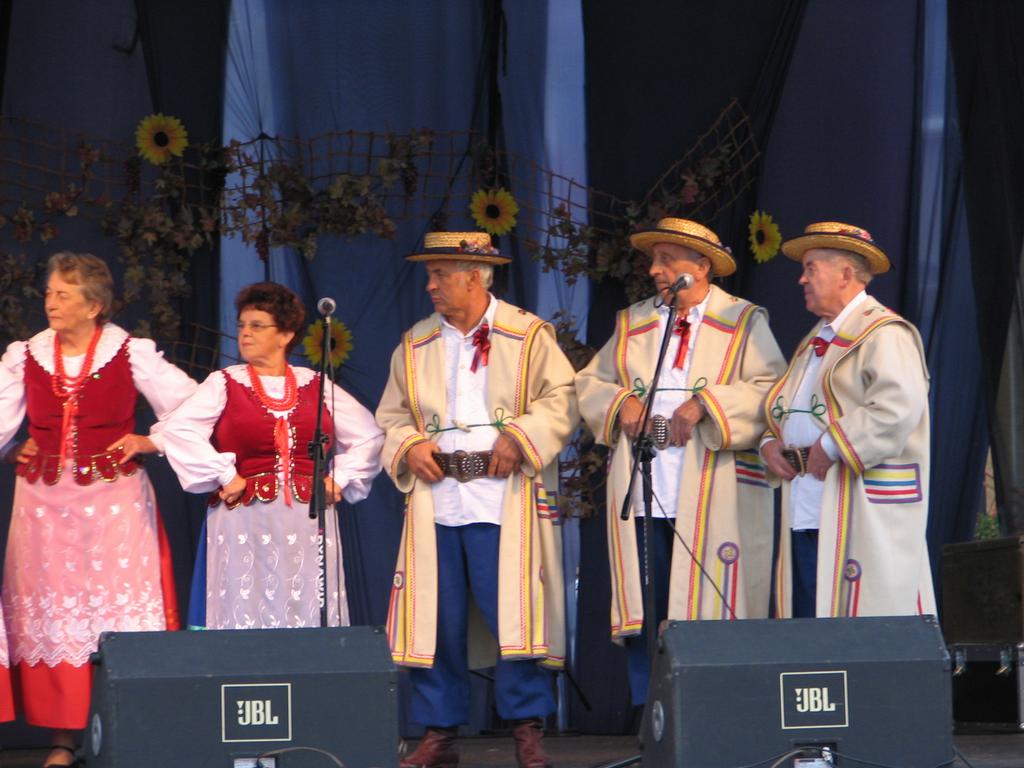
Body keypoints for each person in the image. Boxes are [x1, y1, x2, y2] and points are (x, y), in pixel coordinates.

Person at [376, 232, 577, 768]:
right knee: (436, 618)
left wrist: (522, 436)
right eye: (430, 274)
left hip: (502, 499)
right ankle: (439, 732)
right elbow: (391, 415)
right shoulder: (415, 343)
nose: (431, 285)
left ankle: (527, 730)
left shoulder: (527, 334)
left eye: (441, 274)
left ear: (474, 277)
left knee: (513, 614)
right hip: (437, 502)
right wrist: (410, 444)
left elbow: (562, 397)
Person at [576, 217, 785, 707]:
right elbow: (588, 383)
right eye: (654, 259)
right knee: (647, 606)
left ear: (702, 266)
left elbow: (772, 391)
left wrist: (706, 404)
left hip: (713, 487)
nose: (654, 270)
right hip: (646, 484)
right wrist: (622, 401)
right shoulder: (633, 322)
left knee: (709, 602)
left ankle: (718, 711)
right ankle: (656, 716)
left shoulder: (744, 320)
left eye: (667, 259)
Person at [0, 252, 197, 766]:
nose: (50, 302)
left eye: (63, 294)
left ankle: (133, 732)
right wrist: (11, 446)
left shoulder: (128, 353)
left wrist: (150, 441)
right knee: (56, 616)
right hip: (44, 507)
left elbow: (194, 406)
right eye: (49, 292)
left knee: (115, 610)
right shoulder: (27, 355)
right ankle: (62, 740)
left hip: (113, 504)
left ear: (93, 306)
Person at [160, 282, 383, 629]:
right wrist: (225, 474)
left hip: (307, 519)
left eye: (257, 326)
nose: (245, 333)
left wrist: (339, 479)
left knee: (305, 603)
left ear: (285, 335)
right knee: (247, 602)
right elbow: (179, 430)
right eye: (241, 325)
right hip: (244, 517)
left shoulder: (315, 385)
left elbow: (369, 435)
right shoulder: (224, 383)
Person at [761, 221, 936, 618]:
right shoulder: (815, 339)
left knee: (855, 631)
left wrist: (830, 444)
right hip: (808, 504)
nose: (801, 279)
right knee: (811, 626)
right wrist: (769, 443)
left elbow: (897, 407)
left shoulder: (884, 332)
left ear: (844, 274)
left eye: (810, 268)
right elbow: (784, 407)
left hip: (857, 506)